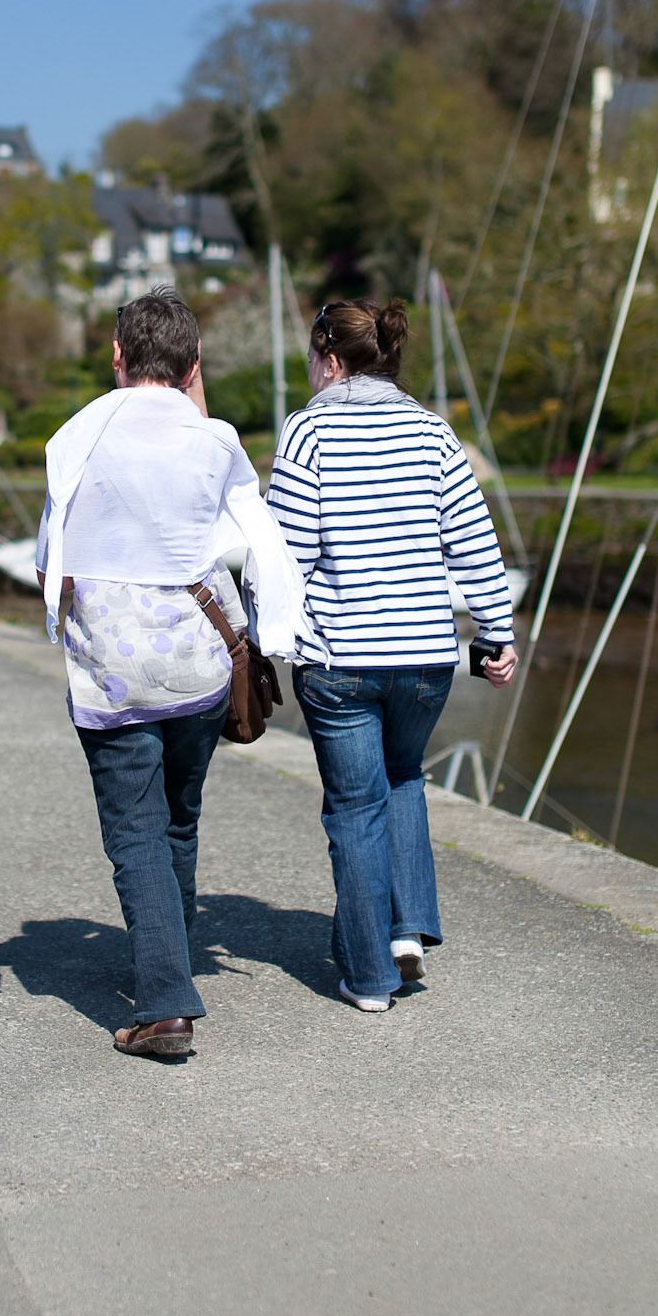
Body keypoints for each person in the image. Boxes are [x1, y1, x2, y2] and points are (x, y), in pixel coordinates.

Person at [38, 289, 305, 1059]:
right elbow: (257, 543)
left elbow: (49, 551)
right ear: (194, 367)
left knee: (135, 829)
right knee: (177, 817)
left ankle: (163, 1002)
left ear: (115, 357)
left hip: (112, 666)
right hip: (198, 661)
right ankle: (172, 956)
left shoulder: (76, 438)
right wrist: (283, 635)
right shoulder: (216, 440)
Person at [266, 297, 517, 1013]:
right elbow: (473, 543)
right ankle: (406, 931)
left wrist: (268, 639)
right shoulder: (434, 434)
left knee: (353, 807)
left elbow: (288, 552)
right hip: (424, 657)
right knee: (402, 777)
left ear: (330, 359)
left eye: (311, 359)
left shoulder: (308, 432)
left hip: (340, 657)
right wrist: (495, 637)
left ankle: (369, 976)